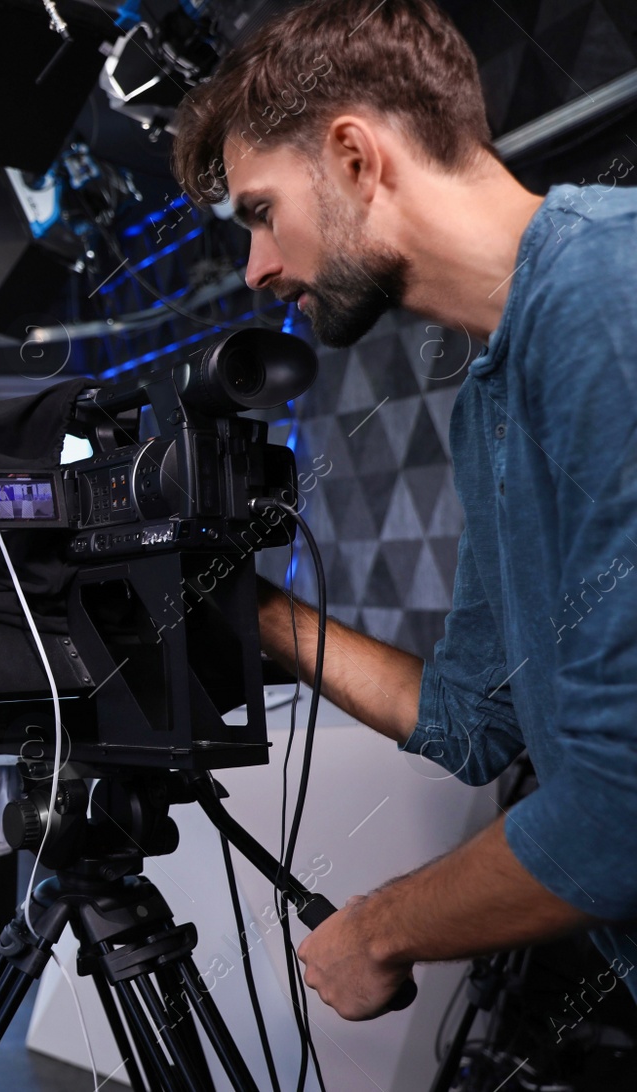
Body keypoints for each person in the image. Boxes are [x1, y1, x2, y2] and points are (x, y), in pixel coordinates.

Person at [170, 0, 637, 1018]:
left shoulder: (608, 295)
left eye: (260, 212)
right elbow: (473, 719)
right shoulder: (491, 398)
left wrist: (377, 932)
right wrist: (247, 608)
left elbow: (620, 815)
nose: (256, 269)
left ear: (354, 158)